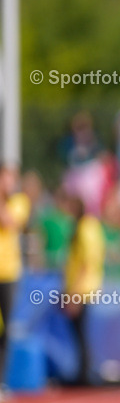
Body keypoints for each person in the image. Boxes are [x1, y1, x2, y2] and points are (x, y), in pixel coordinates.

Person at [64, 194, 105, 385]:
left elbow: (85, 263)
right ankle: (84, 371)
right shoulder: (93, 225)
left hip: (83, 288)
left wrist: (74, 294)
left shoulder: (84, 227)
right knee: (83, 333)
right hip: (88, 286)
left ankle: (84, 373)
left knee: (81, 333)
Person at [0, 167, 31, 390]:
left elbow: (8, 221)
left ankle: (1, 381)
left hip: (9, 273)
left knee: (5, 330)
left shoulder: (19, 201)